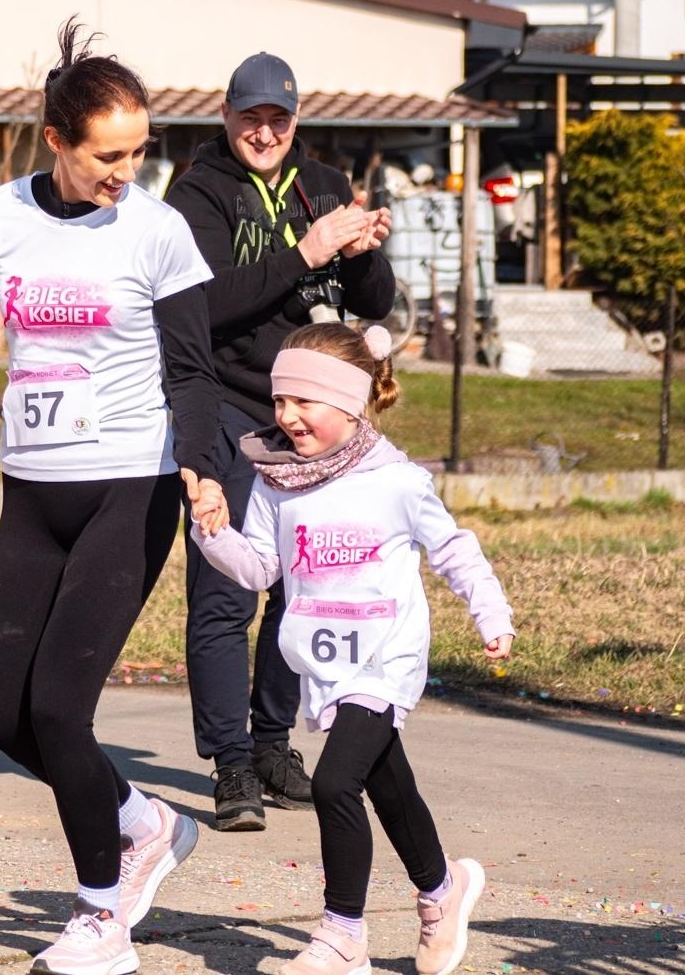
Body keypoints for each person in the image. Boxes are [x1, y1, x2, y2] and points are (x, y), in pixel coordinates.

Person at [0, 18, 229, 975]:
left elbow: (193, 367)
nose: (127, 171)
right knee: (6, 722)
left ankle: (103, 917)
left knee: (61, 709)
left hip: (129, 491)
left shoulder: (158, 229)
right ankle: (146, 824)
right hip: (34, 493)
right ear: (55, 139)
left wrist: (198, 460)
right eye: (108, 154)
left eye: (141, 151)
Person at [187, 321, 515, 975]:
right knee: (387, 783)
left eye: (304, 402)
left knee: (337, 781)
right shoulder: (277, 479)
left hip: (387, 655)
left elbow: (453, 548)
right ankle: (443, 891)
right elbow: (258, 570)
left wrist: (490, 611)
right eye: (280, 401)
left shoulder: (395, 479)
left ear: (349, 400)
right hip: (327, 662)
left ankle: (342, 936)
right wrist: (210, 532)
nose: (287, 416)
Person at [164, 51, 396, 831]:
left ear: (296, 121)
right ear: (225, 116)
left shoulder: (325, 185)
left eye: (279, 118)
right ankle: (231, 764)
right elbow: (205, 302)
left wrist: (365, 253)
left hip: (318, 415)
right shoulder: (196, 193)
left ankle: (271, 745)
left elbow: (371, 299)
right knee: (226, 589)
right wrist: (307, 251)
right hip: (233, 404)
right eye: (250, 117)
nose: (264, 132)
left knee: (299, 585)